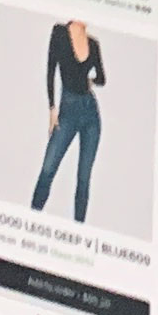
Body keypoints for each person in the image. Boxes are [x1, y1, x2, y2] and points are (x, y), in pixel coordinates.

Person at [33, 14, 107, 223]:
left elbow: (102, 78)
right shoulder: (59, 32)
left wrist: (90, 81)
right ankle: (31, 220)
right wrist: (52, 108)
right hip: (68, 109)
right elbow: (51, 69)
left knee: (83, 179)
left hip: (91, 113)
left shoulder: (93, 43)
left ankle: (78, 230)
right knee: (48, 169)